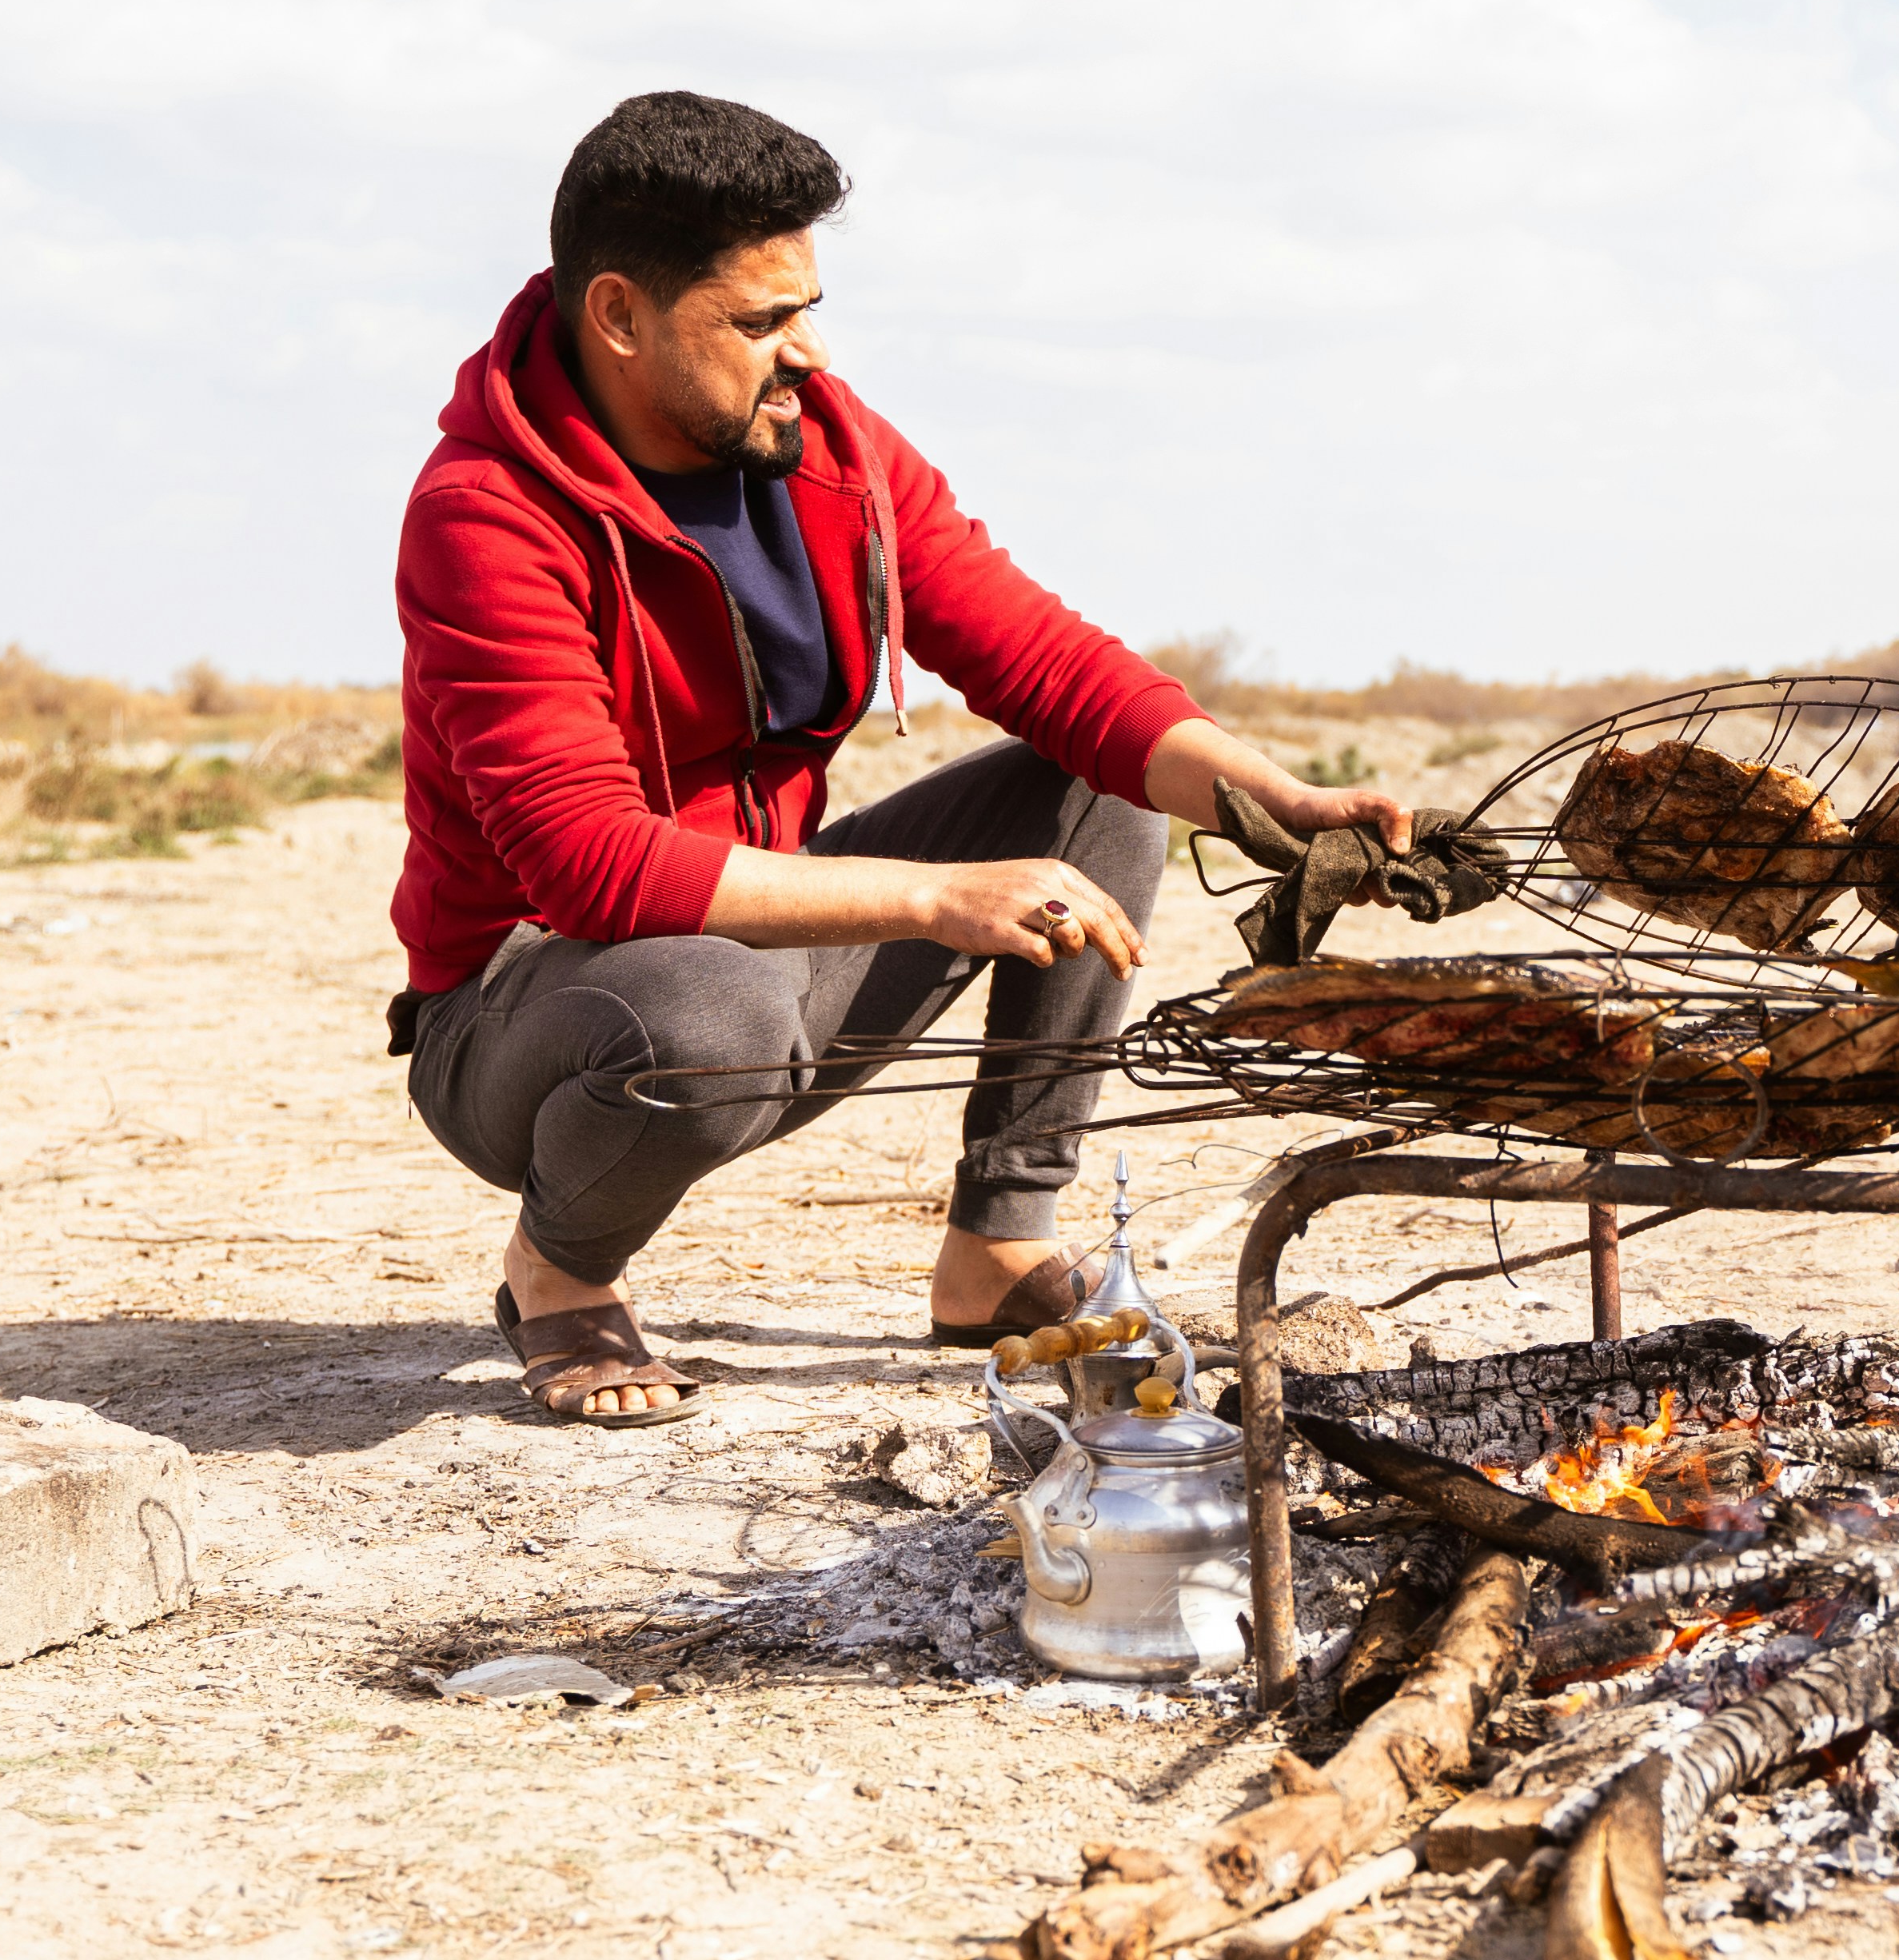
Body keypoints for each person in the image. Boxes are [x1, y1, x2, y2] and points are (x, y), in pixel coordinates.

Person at [391, 90, 1406, 1426]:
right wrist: (939, 897)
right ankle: (560, 1274)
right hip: (531, 1019)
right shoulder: (484, 515)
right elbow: (586, 863)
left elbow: (1045, 663)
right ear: (623, 316)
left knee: (1091, 781)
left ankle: (1000, 1244)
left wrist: (1271, 794)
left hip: (751, 951)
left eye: (807, 306)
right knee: (709, 1010)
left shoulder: (830, 450)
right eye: (760, 321)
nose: (804, 351)